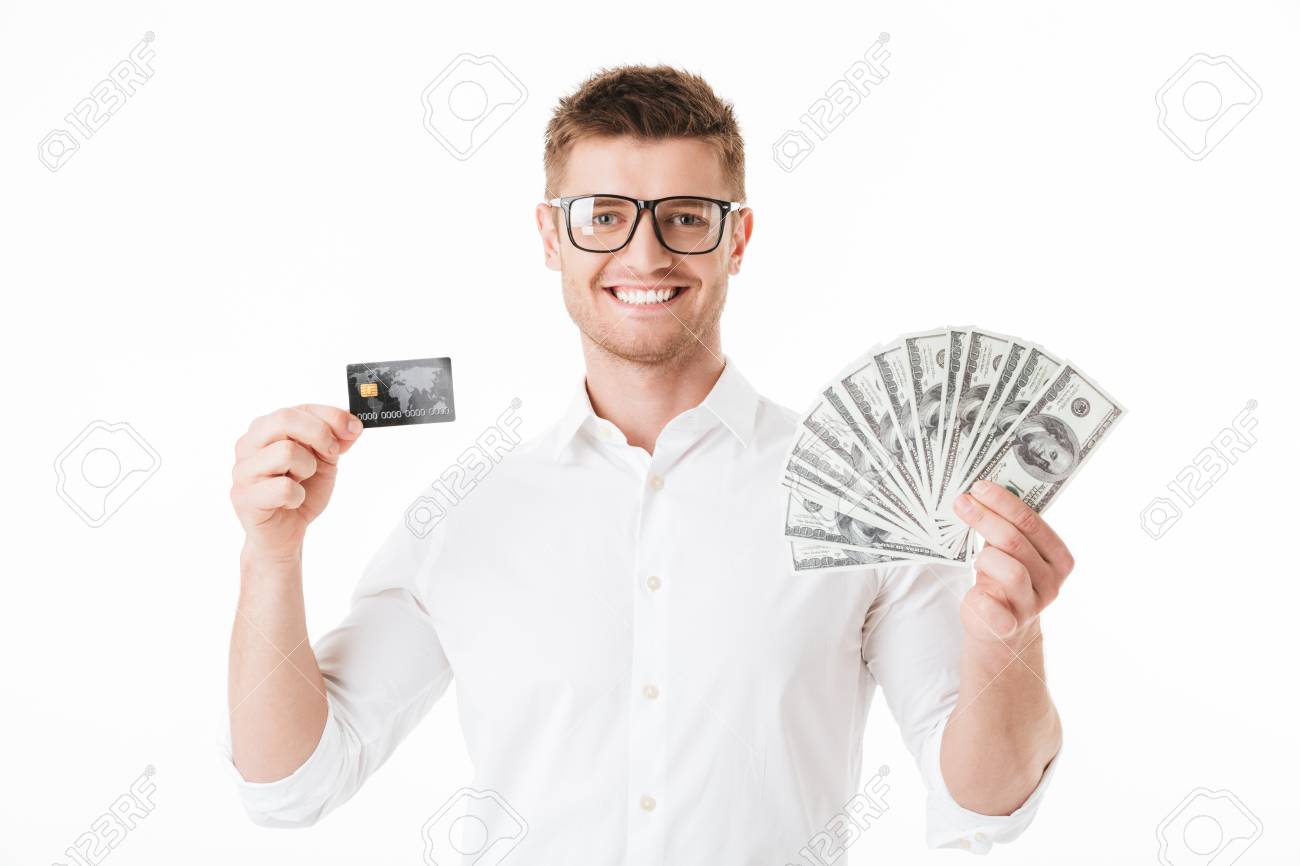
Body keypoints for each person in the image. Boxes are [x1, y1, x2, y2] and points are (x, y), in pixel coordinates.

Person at [223, 65, 1070, 862]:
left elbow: (984, 804)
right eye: (603, 215)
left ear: (736, 239)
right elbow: (293, 783)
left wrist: (1011, 634)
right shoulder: (464, 513)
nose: (644, 254)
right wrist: (272, 552)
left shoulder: (860, 495)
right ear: (551, 236)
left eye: (686, 216)